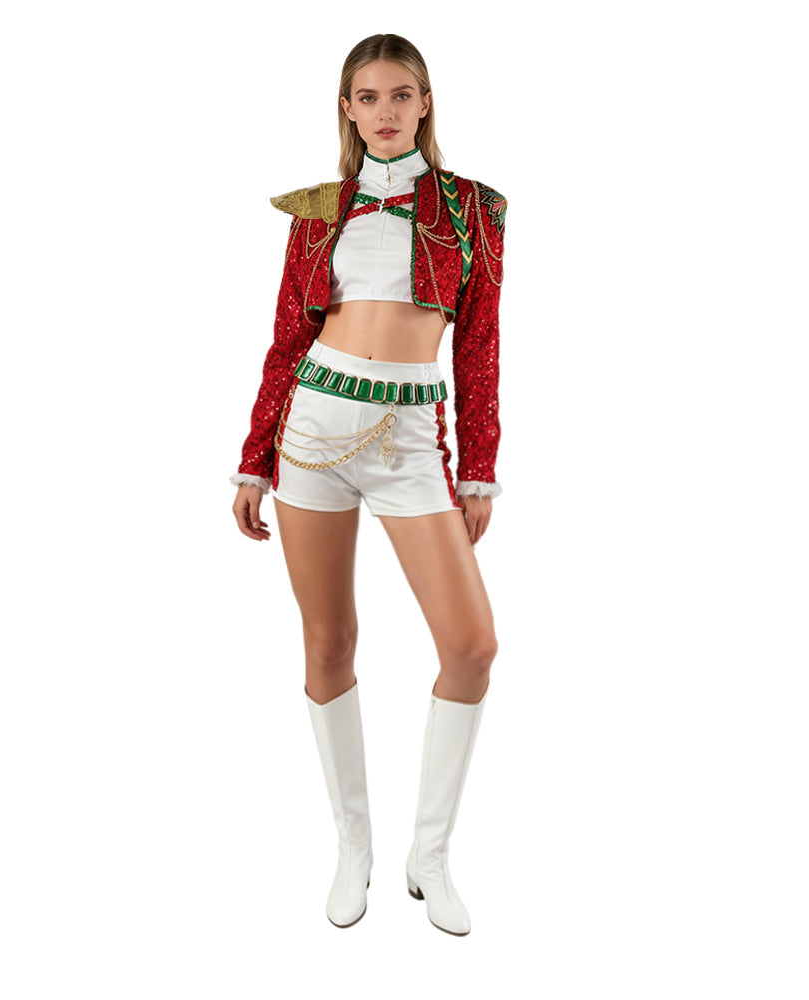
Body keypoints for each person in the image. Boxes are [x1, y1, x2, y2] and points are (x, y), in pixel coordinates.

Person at [230, 33, 506, 936]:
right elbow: (287, 337)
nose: (385, 111)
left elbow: (478, 344)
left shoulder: (471, 209)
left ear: (425, 102)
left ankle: (432, 855)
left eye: (401, 94)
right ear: (347, 110)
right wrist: (255, 457)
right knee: (329, 640)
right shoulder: (320, 211)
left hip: (411, 444)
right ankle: (354, 848)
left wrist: (478, 468)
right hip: (313, 433)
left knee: (471, 645)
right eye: (367, 96)